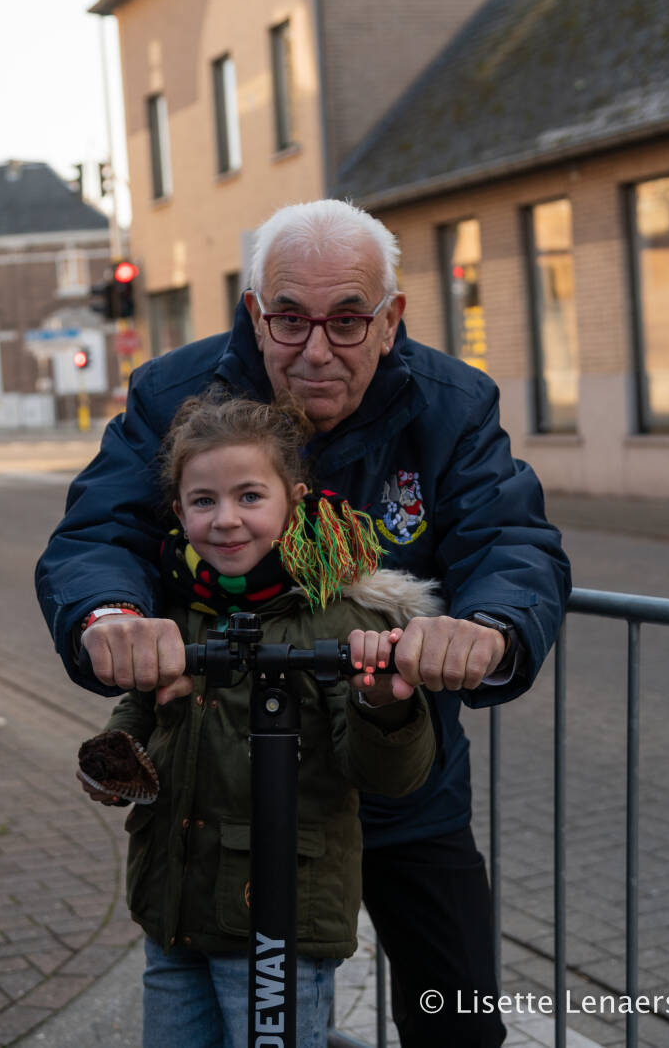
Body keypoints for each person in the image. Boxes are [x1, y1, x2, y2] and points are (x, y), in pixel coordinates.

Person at [36, 198, 572, 1047]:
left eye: (348, 319)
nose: (317, 348)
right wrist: (112, 616)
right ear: (255, 312)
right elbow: (100, 532)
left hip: (395, 769)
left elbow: (510, 538)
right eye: (289, 318)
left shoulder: (452, 403)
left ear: (390, 318)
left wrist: (490, 626)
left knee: (458, 1018)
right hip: (232, 786)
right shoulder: (174, 394)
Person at [74, 390, 439, 1048]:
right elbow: (135, 728)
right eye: (203, 501)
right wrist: (124, 748)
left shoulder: (339, 618)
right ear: (179, 509)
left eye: (249, 496)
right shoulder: (177, 609)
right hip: (173, 912)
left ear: (292, 499)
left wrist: (385, 702)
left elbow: (383, 775)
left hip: (279, 927)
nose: (226, 521)